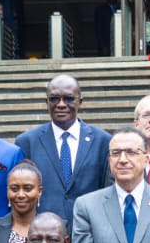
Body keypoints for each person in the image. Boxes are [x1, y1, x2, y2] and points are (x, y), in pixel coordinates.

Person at [15, 75, 112, 226]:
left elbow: (109, 192)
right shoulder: (27, 142)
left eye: (69, 99)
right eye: (54, 99)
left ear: (80, 102)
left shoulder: (103, 141)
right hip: (42, 232)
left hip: (90, 230)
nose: (61, 104)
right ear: (47, 102)